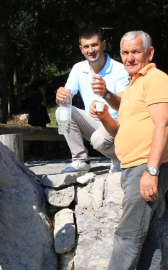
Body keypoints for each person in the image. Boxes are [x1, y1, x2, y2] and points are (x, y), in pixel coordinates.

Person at [73, 30, 168, 270]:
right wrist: (106, 113)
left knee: (128, 234)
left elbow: (164, 125)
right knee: (149, 235)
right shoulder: (133, 86)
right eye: (126, 53)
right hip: (134, 166)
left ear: (150, 54)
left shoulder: (156, 80)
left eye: (136, 52)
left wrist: (152, 171)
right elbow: (125, 128)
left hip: (147, 166)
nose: (130, 57)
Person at [55, 27, 130, 173]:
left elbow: (124, 104)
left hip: (116, 124)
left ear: (103, 45)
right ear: (81, 49)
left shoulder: (119, 69)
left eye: (94, 45)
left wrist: (106, 93)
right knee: (62, 112)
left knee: (98, 139)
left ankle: (121, 158)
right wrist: (60, 97)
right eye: (86, 46)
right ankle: (80, 160)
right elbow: (66, 100)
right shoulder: (78, 68)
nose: (91, 50)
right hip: (94, 122)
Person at [27, 81, 51, 158]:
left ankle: (32, 153)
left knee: (35, 137)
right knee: (40, 137)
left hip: (35, 119)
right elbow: (43, 104)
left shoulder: (32, 96)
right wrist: (43, 95)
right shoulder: (36, 96)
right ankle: (38, 154)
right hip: (39, 119)